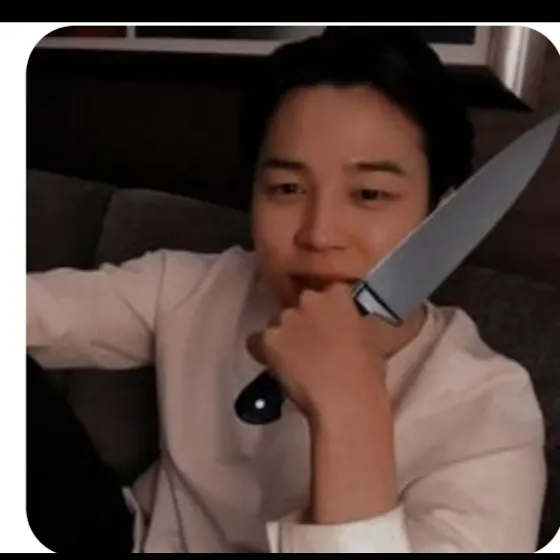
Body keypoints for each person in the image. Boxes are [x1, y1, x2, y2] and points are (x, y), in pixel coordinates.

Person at [26, 26, 546, 553]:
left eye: (370, 193)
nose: (318, 234)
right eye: (288, 188)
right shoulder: (196, 288)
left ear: (442, 217)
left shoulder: (490, 410)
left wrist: (348, 408)